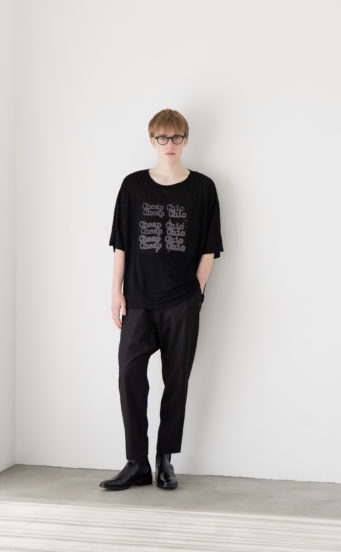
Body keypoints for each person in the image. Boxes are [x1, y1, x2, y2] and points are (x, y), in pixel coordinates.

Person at [99, 108, 224, 491]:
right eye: (162, 138)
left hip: (182, 301)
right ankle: (136, 462)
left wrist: (196, 291)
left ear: (186, 139)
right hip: (139, 299)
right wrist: (116, 291)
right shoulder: (133, 185)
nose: (169, 144)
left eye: (176, 137)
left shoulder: (203, 188)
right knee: (129, 375)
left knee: (177, 380)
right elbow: (121, 244)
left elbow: (209, 246)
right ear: (152, 140)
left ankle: (164, 459)